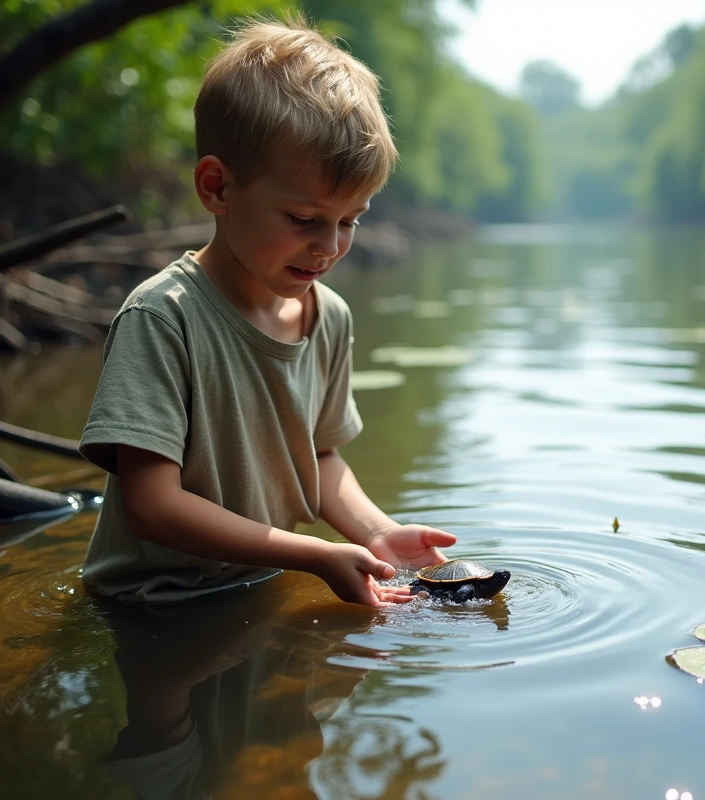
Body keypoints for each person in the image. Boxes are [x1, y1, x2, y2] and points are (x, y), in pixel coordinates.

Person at [78, 18, 456, 607]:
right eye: (304, 220)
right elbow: (152, 505)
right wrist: (314, 554)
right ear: (217, 188)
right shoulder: (162, 317)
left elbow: (320, 458)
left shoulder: (329, 318)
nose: (329, 247)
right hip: (149, 605)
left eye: (349, 221)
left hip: (256, 584)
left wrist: (377, 533)